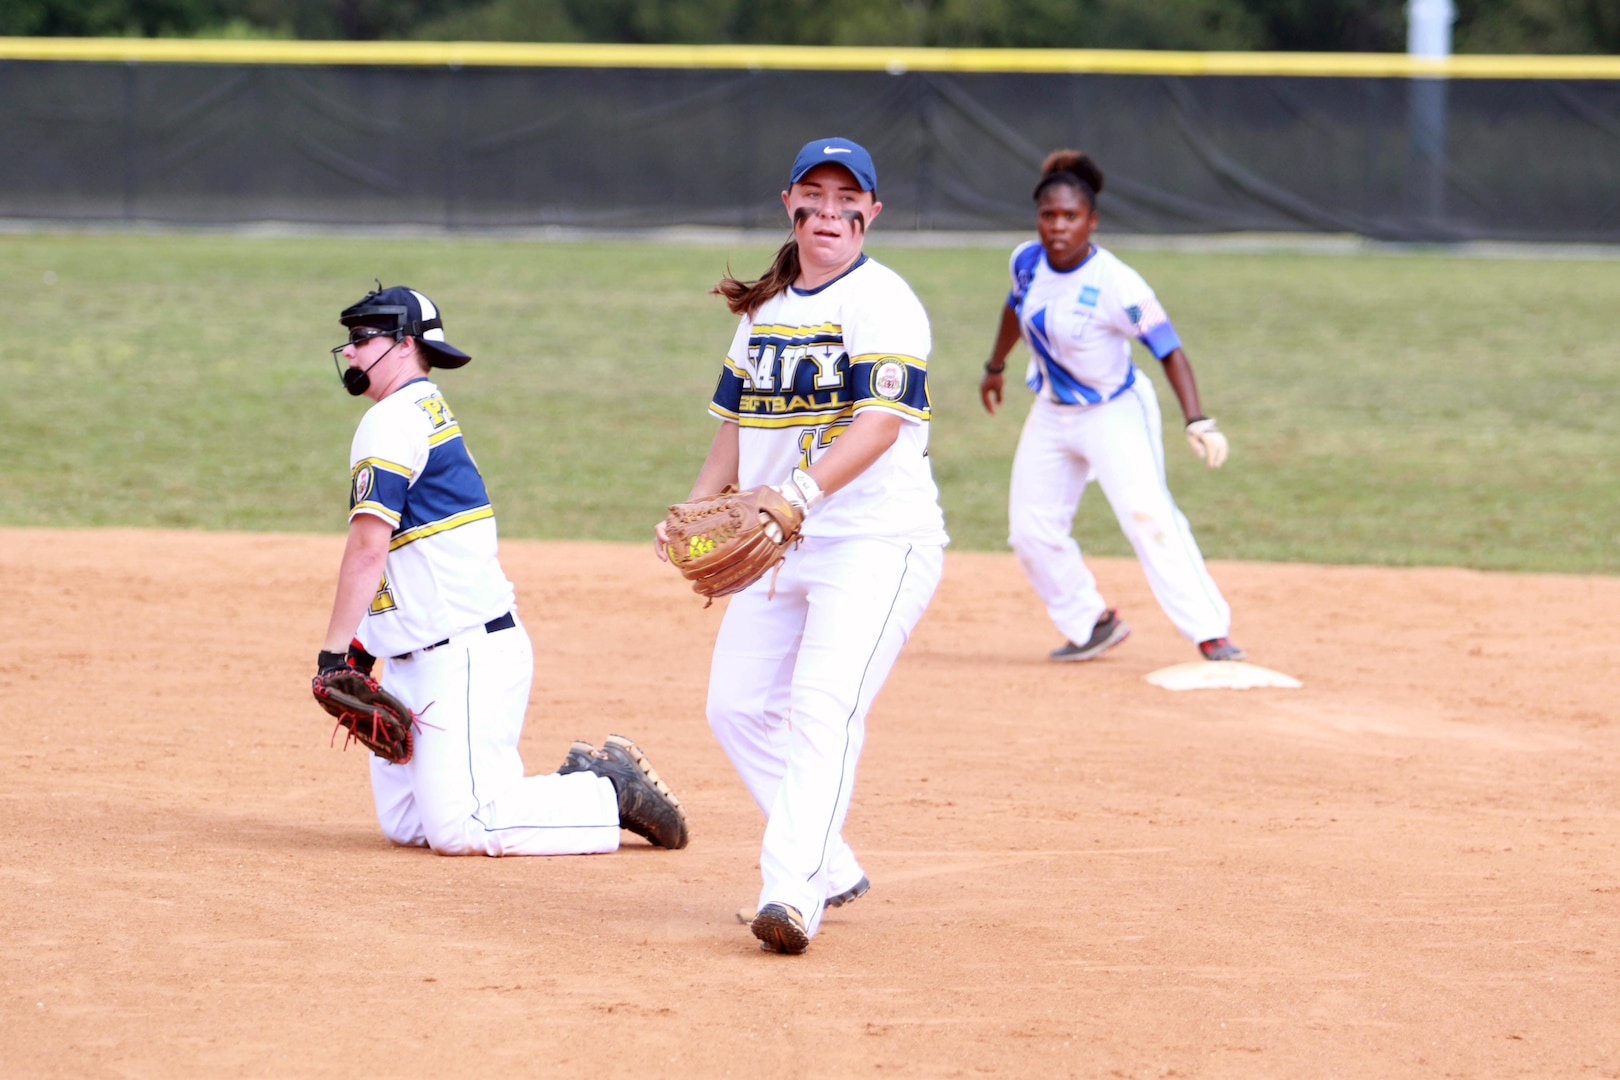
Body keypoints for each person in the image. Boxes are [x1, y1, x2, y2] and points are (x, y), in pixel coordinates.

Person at [655, 138, 948, 954]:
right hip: (779, 538)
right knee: (737, 707)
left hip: (875, 542)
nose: (829, 209)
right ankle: (835, 861)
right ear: (789, 202)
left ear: (871, 212)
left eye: (846, 196)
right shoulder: (764, 310)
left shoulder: (884, 301)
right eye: (813, 194)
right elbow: (737, 429)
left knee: (822, 707)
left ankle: (791, 892)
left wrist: (796, 497)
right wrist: (696, 505)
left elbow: (880, 426)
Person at [317, 284, 688, 856]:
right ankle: (545, 793)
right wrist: (368, 649)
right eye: (348, 341)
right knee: (408, 825)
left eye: (363, 339)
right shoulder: (415, 411)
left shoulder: (392, 420)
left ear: (404, 345)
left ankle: (606, 791)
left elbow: (369, 549)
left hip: (462, 654)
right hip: (418, 657)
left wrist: (334, 653)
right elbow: (409, 559)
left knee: (463, 829)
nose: (351, 352)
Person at [979, 151, 1247, 664]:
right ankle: (1090, 623)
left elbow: (1169, 348)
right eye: (1048, 216)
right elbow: (1014, 308)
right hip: (1053, 411)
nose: (1058, 227)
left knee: (1149, 516)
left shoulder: (1120, 284)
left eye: (1071, 217)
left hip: (1113, 411)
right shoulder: (1025, 261)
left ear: (1092, 222)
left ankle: (1211, 631)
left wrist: (1197, 418)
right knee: (1030, 531)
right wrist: (995, 367)